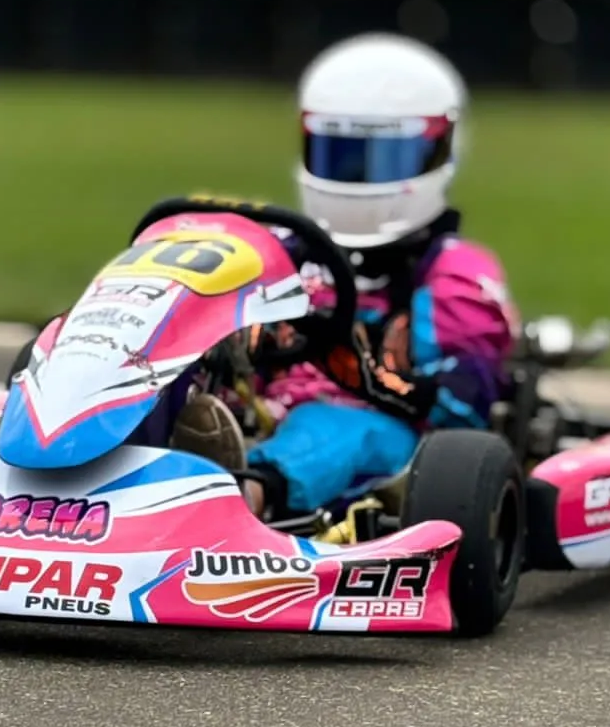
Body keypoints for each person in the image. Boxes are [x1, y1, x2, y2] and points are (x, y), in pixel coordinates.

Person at [170, 32, 521, 518]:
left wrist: (372, 381)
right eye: (341, 156)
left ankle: (240, 498)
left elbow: (465, 407)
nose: (357, 177)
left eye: (381, 160)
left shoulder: (454, 271)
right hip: (257, 412)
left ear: (439, 152)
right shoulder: (279, 249)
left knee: (331, 429)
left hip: (386, 435)